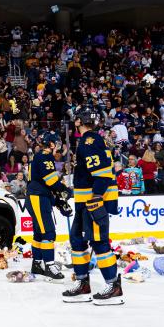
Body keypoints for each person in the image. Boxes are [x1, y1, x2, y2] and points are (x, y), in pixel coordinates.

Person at [62, 109, 123, 305]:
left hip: (92, 202)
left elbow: (103, 174)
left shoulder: (89, 141)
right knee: (77, 240)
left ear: (79, 121)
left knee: (99, 242)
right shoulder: (92, 139)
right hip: (84, 202)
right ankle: (82, 283)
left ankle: (113, 286)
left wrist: (96, 197)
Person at [25, 133, 71, 282]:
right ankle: (49, 266)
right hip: (38, 198)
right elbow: (50, 181)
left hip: (38, 196)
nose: (58, 146)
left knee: (39, 233)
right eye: (56, 143)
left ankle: (37, 264)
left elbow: (45, 183)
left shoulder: (40, 156)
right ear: (51, 144)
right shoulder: (45, 156)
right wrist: (64, 189)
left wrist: (57, 201)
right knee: (48, 233)